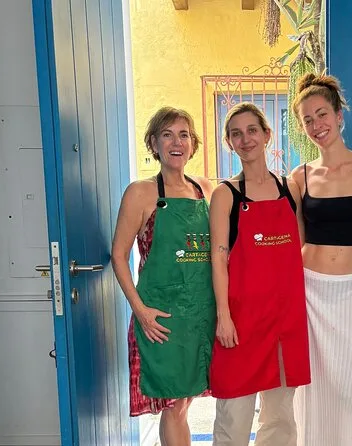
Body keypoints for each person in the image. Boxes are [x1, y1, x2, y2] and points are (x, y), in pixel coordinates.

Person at [289, 74, 352, 446]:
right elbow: (294, 240)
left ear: (339, 115)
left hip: (350, 293)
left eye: (322, 114)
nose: (317, 125)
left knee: (344, 391)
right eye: (307, 120)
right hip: (308, 292)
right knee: (309, 389)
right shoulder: (299, 177)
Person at [111, 106, 216, 446]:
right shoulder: (141, 193)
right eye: (167, 135)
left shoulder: (204, 189)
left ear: (193, 143)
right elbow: (118, 256)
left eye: (184, 135)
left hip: (201, 315)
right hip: (163, 318)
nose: (176, 142)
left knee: (184, 404)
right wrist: (140, 311)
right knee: (174, 405)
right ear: (154, 143)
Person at [208, 102, 311, 446]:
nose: (246, 139)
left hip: (284, 323)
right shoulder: (225, 195)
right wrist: (224, 317)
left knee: (280, 419)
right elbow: (217, 259)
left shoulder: (289, 189)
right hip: (241, 322)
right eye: (236, 134)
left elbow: (300, 246)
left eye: (252, 130)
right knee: (233, 419)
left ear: (267, 135)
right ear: (229, 142)